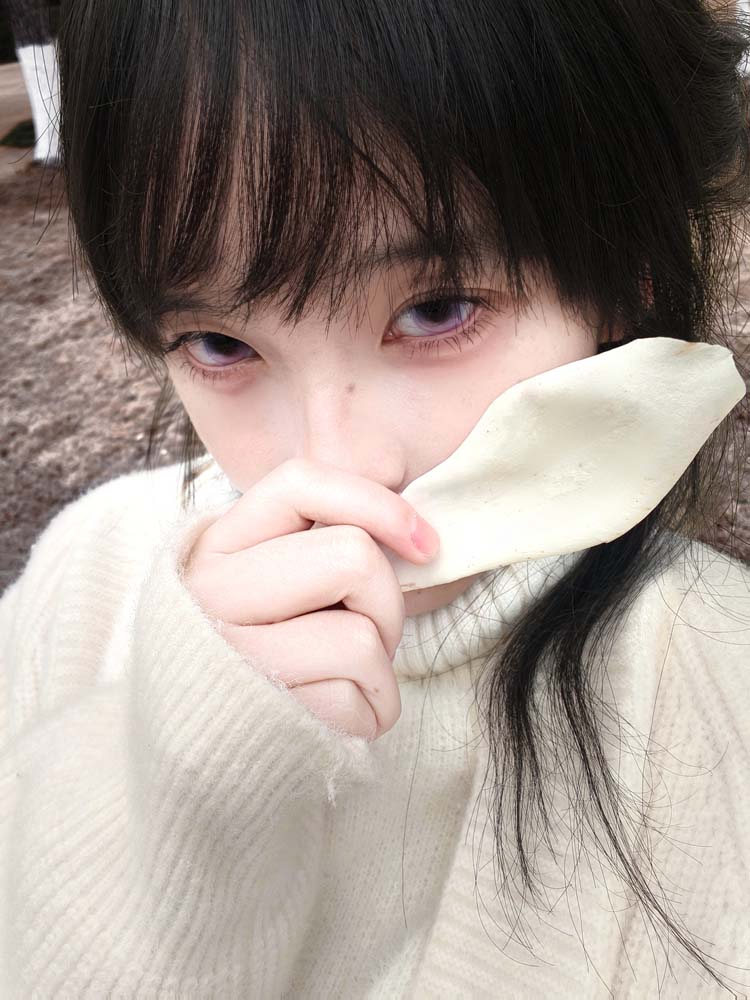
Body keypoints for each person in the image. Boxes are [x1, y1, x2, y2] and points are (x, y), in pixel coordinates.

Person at [2, 0, 750, 996]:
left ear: (631, 271)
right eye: (221, 344)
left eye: (436, 309)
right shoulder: (85, 578)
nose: (338, 466)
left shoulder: (717, 684)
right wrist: (181, 797)